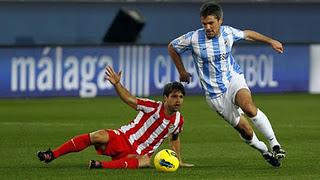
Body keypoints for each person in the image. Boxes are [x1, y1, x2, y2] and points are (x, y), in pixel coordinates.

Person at [168, 2, 285, 167]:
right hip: (215, 94)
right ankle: (265, 151)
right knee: (246, 130)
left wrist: (270, 41)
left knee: (248, 107)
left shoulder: (228, 32)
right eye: (204, 23)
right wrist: (182, 71)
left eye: (211, 23)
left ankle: (275, 144)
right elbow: (172, 47)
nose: (208, 27)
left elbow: (248, 34)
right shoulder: (193, 38)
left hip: (233, 79)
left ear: (220, 21)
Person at [37, 66, 193, 169]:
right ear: (166, 98)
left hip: (138, 153)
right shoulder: (152, 106)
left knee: (145, 161)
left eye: (180, 97)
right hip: (123, 137)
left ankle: (100, 165)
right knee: (98, 135)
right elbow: (129, 99)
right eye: (174, 96)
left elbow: (174, 138)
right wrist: (117, 84)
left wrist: (178, 159)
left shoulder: (179, 120)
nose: (178, 100)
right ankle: (52, 154)